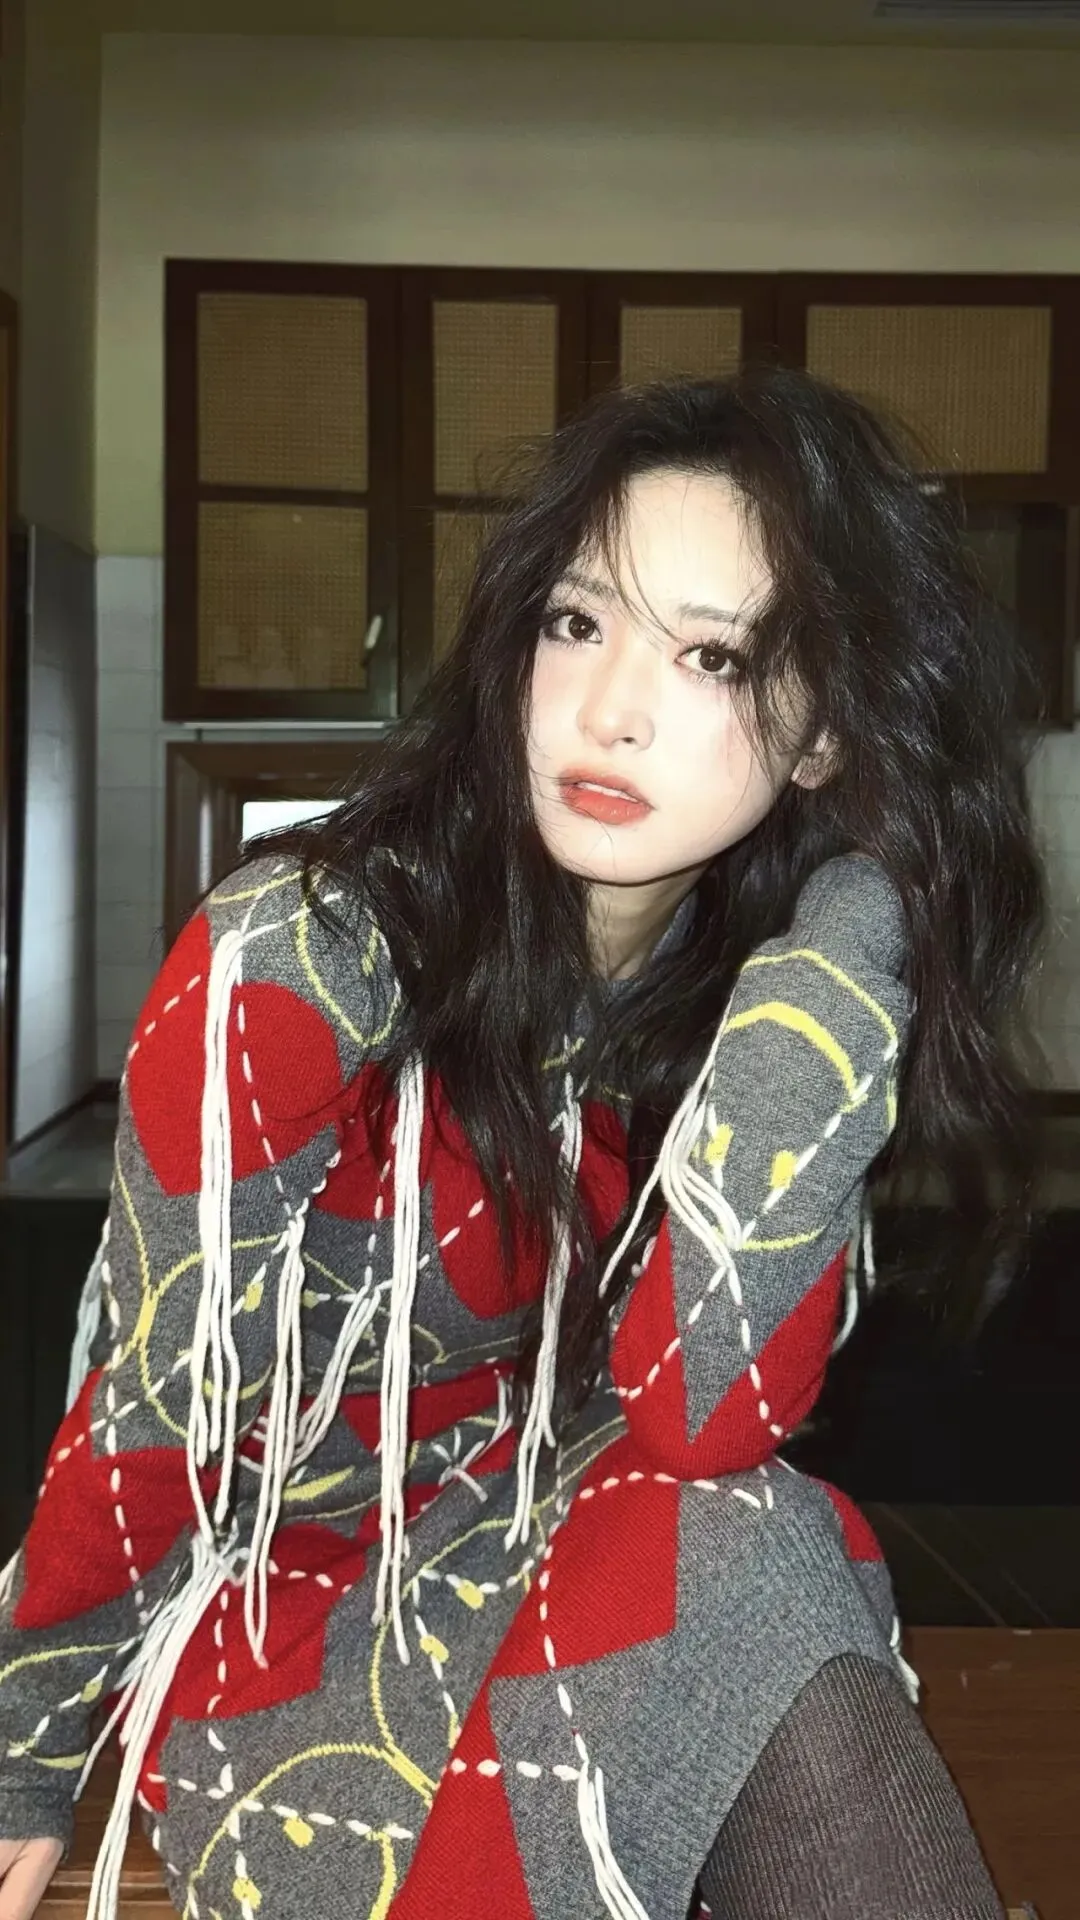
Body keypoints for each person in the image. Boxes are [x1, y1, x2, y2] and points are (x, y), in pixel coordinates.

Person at [0, 370, 1041, 1920]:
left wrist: (849, 936)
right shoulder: (303, 955)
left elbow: (703, 1412)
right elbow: (154, 1406)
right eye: (578, 621)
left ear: (826, 734)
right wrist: (20, 1750)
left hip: (573, 1557)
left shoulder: (750, 999)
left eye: (712, 655)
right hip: (302, 1632)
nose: (611, 707)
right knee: (750, 1555)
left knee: (747, 1527)